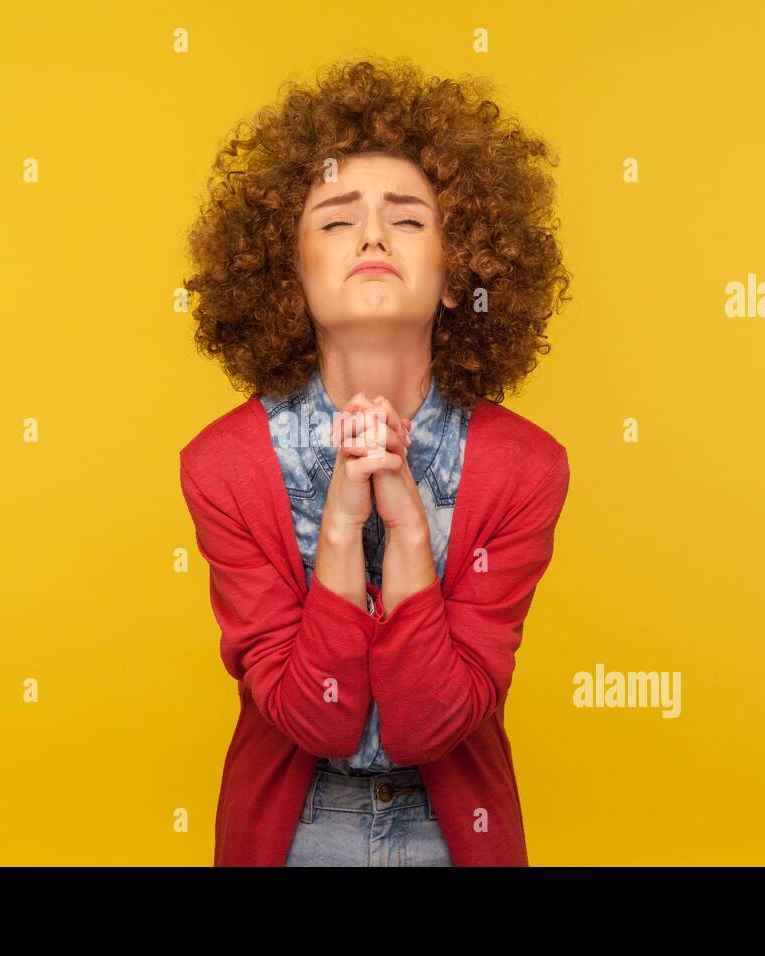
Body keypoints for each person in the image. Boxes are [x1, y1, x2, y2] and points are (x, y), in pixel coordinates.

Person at [179, 57, 572, 866]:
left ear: (461, 273)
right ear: (288, 273)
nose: (369, 236)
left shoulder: (526, 468)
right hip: (291, 833)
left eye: (407, 218)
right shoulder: (221, 466)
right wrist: (341, 523)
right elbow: (313, 719)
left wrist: (410, 533)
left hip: (455, 833)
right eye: (333, 220)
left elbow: (430, 723)